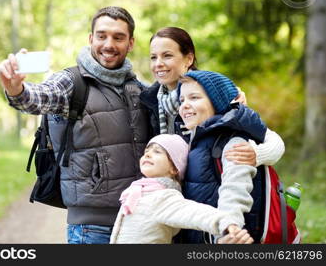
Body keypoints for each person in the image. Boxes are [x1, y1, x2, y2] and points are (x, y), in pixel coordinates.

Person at [0, 6, 151, 244]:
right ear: (91, 39)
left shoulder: (138, 88)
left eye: (118, 37)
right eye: (102, 36)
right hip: (92, 227)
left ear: (130, 43)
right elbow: (39, 97)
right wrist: (15, 88)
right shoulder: (71, 82)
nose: (109, 44)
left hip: (139, 222)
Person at [140, 27, 284, 170]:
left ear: (189, 59)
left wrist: (257, 154)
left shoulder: (213, 92)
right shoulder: (148, 100)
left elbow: (273, 142)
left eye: (167, 55)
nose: (158, 63)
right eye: (153, 57)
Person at [177, 70, 281, 243]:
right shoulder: (196, 140)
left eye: (194, 98)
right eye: (182, 100)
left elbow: (234, 190)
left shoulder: (232, 143)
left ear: (217, 103)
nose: (185, 105)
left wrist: (228, 228)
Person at [110, 134, 254, 244]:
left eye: (157, 152)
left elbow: (194, 213)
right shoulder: (138, 191)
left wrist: (225, 222)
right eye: (147, 151)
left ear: (174, 168)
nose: (147, 154)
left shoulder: (164, 197)